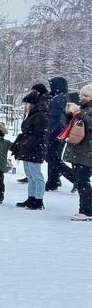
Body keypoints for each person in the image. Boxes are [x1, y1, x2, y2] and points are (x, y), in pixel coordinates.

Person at [10, 89, 48, 210]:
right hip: (28, 147)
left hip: (35, 148)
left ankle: (38, 200)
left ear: (32, 104)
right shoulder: (32, 114)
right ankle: (31, 197)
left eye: (26, 104)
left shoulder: (40, 115)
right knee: (30, 175)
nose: (24, 106)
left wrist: (27, 144)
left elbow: (39, 134)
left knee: (36, 175)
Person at [62, 85, 92, 221]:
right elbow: (69, 125)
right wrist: (69, 113)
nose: (83, 98)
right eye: (82, 95)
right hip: (78, 150)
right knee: (81, 181)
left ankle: (86, 211)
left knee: (82, 181)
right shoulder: (82, 108)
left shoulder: (85, 111)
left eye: (86, 96)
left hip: (88, 151)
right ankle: (86, 210)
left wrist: (80, 114)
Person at [45, 77, 77, 191]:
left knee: (52, 157)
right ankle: (53, 181)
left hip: (57, 133)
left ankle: (73, 178)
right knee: (54, 157)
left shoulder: (58, 99)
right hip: (62, 133)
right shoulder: (67, 97)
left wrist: (49, 133)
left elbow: (55, 118)